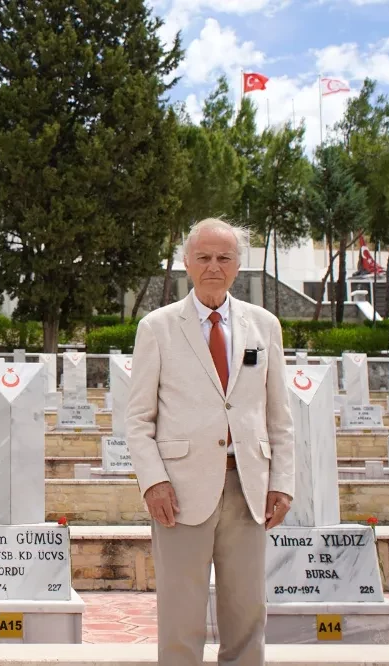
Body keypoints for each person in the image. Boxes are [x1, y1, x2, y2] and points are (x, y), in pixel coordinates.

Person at [125, 218, 294, 666]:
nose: (213, 267)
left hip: (248, 489)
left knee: (246, 614)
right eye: (204, 257)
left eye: (223, 257)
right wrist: (153, 482)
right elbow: (138, 419)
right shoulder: (157, 328)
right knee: (181, 620)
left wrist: (283, 482)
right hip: (178, 495)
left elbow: (279, 416)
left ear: (238, 265)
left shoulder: (265, 326)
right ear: (187, 262)